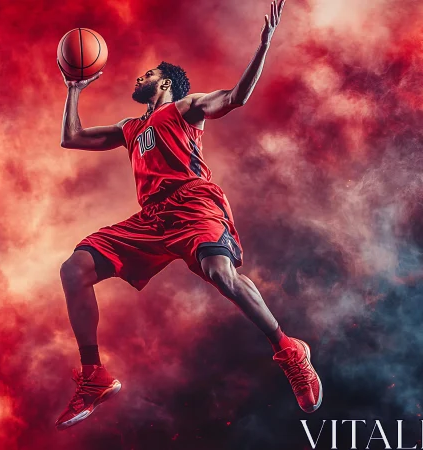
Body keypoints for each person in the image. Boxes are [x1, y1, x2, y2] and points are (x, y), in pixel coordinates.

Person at [56, 0, 320, 431]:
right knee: (74, 269)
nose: (139, 78)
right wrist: (73, 88)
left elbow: (235, 98)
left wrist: (263, 45)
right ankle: (93, 376)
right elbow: (71, 138)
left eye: (148, 74)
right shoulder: (129, 128)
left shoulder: (186, 107)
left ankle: (289, 349)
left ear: (165, 83)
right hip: (152, 218)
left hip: (193, 202)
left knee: (221, 274)